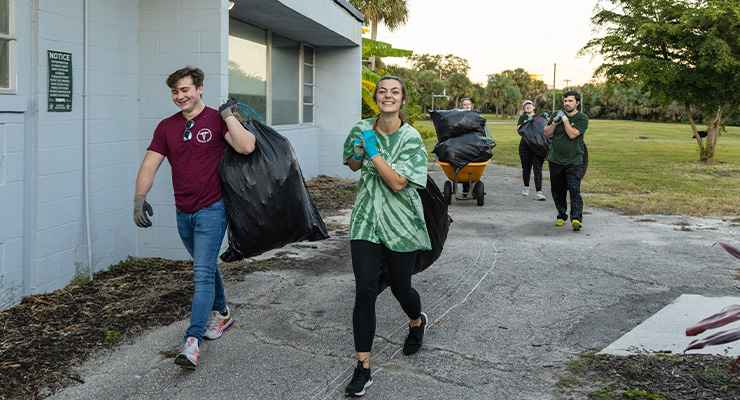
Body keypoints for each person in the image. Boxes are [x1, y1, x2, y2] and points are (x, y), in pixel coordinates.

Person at [133, 66, 257, 369]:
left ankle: (191, 342)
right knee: (205, 266)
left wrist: (228, 114)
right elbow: (150, 164)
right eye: (175, 91)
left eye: (185, 89)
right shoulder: (166, 127)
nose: (180, 96)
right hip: (183, 211)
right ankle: (223, 314)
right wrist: (139, 198)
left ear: (199, 88)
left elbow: (247, 146)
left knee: (201, 273)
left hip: (212, 209)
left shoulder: (216, 120)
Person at [342, 76, 431, 397]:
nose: (388, 96)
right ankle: (363, 368)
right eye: (382, 92)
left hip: (400, 223)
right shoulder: (362, 127)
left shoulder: (411, 138)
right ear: (376, 98)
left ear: (402, 100)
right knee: (364, 291)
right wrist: (357, 151)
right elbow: (353, 165)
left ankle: (416, 320)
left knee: (400, 288)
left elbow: (397, 183)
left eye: (395, 92)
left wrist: (374, 151)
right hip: (365, 221)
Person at [544, 90, 589, 231]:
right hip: (555, 159)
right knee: (557, 190)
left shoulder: (582, 118)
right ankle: (561, 215)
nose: (567, 104)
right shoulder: (556, 114)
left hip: (574, 160)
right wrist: (555, 122)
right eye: (565, 101)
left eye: (570, 101)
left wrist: (564, 120)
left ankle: (576, 218)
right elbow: (546, 132)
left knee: (574, 189)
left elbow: (572, 134)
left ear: (577, 102)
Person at [516, 100, 546, 201]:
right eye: (526, 106)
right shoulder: (523, 118)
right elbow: (519, 129)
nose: (528, 107)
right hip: (525, 145)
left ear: (534, 107)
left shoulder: (539, 117)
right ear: (524, 109)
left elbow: (545, 127)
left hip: (538, 145)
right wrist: (529, 121)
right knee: (526, 167)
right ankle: (526, 187)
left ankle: (539, 191)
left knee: (538, 169)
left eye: (530, 105)